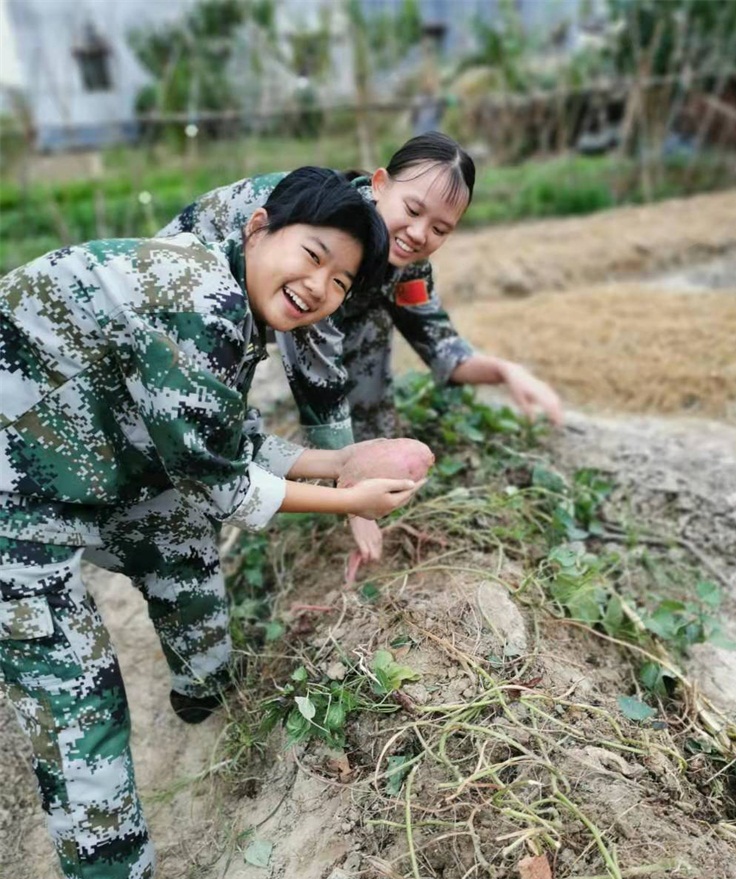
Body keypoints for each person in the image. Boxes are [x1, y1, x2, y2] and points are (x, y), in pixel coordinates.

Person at [0, 167, 423, 879]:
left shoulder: (225, 295)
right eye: (310, 257)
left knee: (178, 534)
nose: (318, 288)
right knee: (77, 690)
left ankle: (206, 689)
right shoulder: (195, 297)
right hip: (14, 501)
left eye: (340, 283)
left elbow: (223, 441)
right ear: (259, 226)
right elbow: (224, 484)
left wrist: (339, 461)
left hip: (77, 455)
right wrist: (351, 496)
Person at [159, 133, 564, 570]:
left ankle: (372, 468)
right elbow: (318, 379)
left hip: (262, 302)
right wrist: (351, 499)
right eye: (412, 210)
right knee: (201, 453)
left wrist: (507, 372)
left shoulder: (403, 263)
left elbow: (439, 341)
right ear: (380, 184)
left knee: (371, 324)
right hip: (189, 307)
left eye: (440, 229)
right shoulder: (329, 239)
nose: (419, 234)